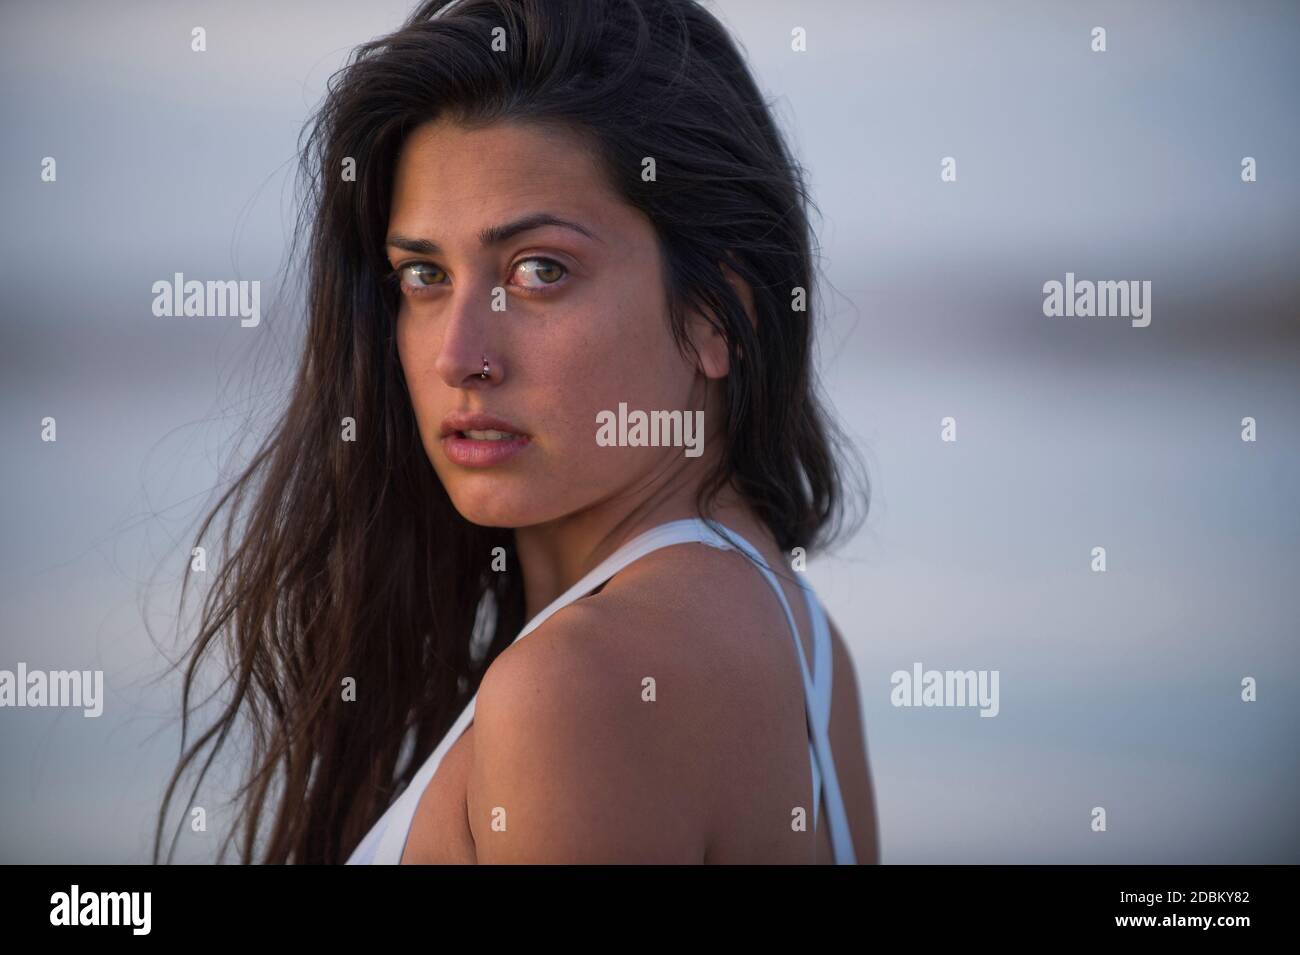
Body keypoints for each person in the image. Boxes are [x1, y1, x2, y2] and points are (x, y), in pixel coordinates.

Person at [155, 0, 879, 865]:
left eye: (538, 271)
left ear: (716, 315)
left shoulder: (582, 687)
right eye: (423, 274)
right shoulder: (798, 637)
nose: (461, 355)